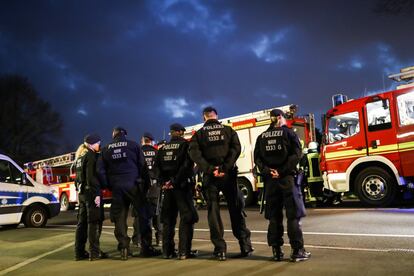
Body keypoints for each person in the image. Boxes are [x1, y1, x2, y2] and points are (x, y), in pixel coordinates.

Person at [189, 107, 253, 261]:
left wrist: (211, 170)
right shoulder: (228, 130)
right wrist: (225, 167)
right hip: (229, 176)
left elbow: (194, 155)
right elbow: (236, 149)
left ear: (204, 118)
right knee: (236, 209)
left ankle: (220, 250)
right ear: (216, 116)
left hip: (210, 178)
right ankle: (244, 245)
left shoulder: (198, 135)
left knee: (214, 213)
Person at [254, 109, 311, 262]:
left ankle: (276, 252)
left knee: (274, 217)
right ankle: (297, 251)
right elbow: (297, 154)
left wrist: (268, 171)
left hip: (270, 182)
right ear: (280, 118)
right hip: (287, 179)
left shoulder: (261, 137)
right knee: (293, 216)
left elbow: (257, 159)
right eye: (284, 118)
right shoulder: (289, 134)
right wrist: (282, 170)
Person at [98, 126, 161, 260]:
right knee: (143, 216)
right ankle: (146, 247)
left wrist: (108, 185)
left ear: (113, 135)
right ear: (124, 134)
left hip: (117, 187)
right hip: (134, 186)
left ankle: (124, 248)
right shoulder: (133, 145)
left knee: (120, 218)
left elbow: (100, 171)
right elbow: (143, 166)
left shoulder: (106, 149)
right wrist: (145, 186)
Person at [156, 123, 199, 260]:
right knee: (187, 217)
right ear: (180, 132)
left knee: (168, 220)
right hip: (181, 187)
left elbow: (157, 169)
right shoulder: (185, 146)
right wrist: (174, 181)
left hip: (167, 189)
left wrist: (165, 182)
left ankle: (167, 252)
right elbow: (187, 167)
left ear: (171, 133)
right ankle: (183, 251)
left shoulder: (162, 149)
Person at [74, 134, 107, 261]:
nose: (99, 145)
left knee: (81, 224)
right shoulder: (91, 156)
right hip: (91, 193)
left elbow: (77, 179)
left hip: (82, 194)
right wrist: (96, 195)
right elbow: (91, 177)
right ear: (92, 144)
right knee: (94, 222)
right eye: (98, 143)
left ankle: (79, 252)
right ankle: (94, 252)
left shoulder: (80, 156)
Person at [132, 132, 162, 247]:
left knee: (140, 214)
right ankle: (159, 238)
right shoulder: (157, 152)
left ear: (142, 141)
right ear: (152, 141)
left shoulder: (137, 152)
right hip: (155, 187)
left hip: (140, 187)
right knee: (157, 213)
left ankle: (138, 240)